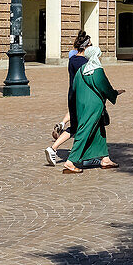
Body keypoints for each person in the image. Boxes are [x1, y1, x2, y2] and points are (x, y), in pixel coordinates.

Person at [62, 45, 124, 174]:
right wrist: (114, 93)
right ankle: (70, 161)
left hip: (81, 105)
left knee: (99, 130)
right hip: (94, 106)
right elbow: (105, 87)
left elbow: (74, 88)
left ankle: (105, 159)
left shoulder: (81, 70)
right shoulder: (97, 70)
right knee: (84, 131)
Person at [45, 32, 91, 165]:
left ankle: (54, 147)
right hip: (82, 97)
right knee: (85, 126)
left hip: (72, 95)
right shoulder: (85, 62)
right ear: (86, 47)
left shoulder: (72, 60)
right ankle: (56, 149)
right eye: (91, 45)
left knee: (76, 126)